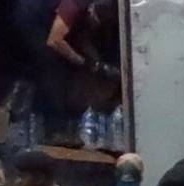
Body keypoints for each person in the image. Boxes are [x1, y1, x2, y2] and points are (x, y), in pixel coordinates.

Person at [13, 0, 120, 145]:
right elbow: (55, 41)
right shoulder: (73, 5)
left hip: (53, 25)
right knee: (53, 68)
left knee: (71, 69)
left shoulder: (89, 17)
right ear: (92, 10)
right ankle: (54, 131)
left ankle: (70, 128)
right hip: (32, 20)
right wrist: (81, 61)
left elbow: (81, 38)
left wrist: (95, 62)